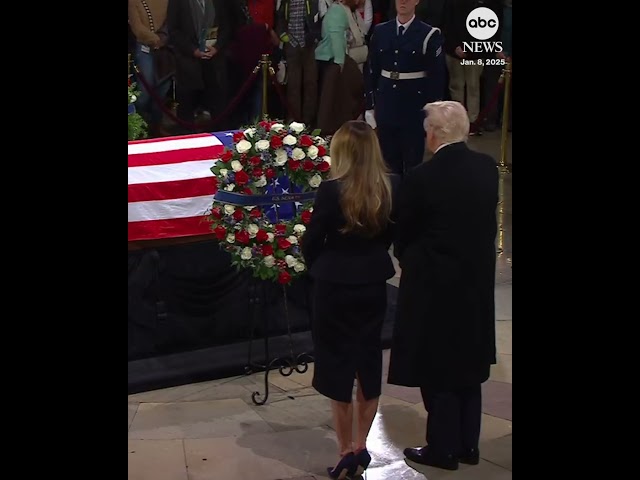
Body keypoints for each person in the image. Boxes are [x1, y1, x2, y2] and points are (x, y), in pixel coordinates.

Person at [388, 101, 498, 471]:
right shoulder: (487, 169)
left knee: (438, 367)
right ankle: (468, 444)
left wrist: (408, 258)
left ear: (434, 134)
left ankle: (443, 448)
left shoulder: (422, 177)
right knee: (469, 362)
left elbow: (403, 231)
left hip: (434, 285)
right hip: (476, 284)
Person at [301, 121, 400, 479]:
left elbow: (313, 240)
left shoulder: (330, 190)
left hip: (333, 286)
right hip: (373, 282)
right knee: (368, 359)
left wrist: (318, 265)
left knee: (335, 363)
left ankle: (344, 450)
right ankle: (361, 446)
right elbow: (391, 235)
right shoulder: (390, 186)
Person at [364, 0, 445, 175]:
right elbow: (372, 70)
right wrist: (370, 104)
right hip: (386, 105)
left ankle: (410, 201)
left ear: (416, 1)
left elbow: (436, 77)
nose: (403, 2)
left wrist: (432, 112)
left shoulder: (428, 34)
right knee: (387, 163)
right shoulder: (381, 31)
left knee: (413, 164)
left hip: (414, 108)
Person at [167, 0, 234, 130]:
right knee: (186, 109)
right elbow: (174, 31)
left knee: (218, 108)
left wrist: (217, 47)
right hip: (188, 63)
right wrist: (193, 50)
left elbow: (226, 27)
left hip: (214, 63)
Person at [315, 0, 364, 134]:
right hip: (333, 61)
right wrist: (340, 63)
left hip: (332, 60)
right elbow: (336, 37)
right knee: (332, 105)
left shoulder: (337, 9)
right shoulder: (338, 11)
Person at [128, 0, 172, 136]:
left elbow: (172, 21)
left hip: (165, 50)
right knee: (145, 93)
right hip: (144, 49)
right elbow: (137, 27)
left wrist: (163, 40)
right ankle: (141, 126)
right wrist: (155, 40)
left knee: (161, 91)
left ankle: (156, 127)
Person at [276, 0, 321, 125]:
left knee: (310, 83)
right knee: (293, 85)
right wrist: (283, 34)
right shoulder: (285, 2)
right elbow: (279, 17)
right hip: (292, 45)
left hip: (309, 46)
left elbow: (320, 18)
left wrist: (314, 36)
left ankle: (309, 121)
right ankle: (294, 120)